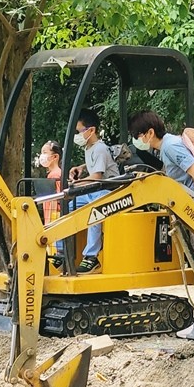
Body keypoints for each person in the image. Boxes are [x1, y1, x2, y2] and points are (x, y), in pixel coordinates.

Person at [128, 111, 194, 287]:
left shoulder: (170, 146)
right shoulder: (166, 147)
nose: (136, 140)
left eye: (137, 135)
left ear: (149, 133)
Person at [69, 110, 119, 273]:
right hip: (95, 190)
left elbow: (97, 175)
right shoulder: (89, 148)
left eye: (79, 131)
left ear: (91, 130)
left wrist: (77, 185)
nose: (77, 135)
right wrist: (80, 168)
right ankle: (63, 250)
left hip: (108, 190)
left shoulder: (100, 149)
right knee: (69, 207)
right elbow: (92, 165)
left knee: (94, 211)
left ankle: (91, 256)